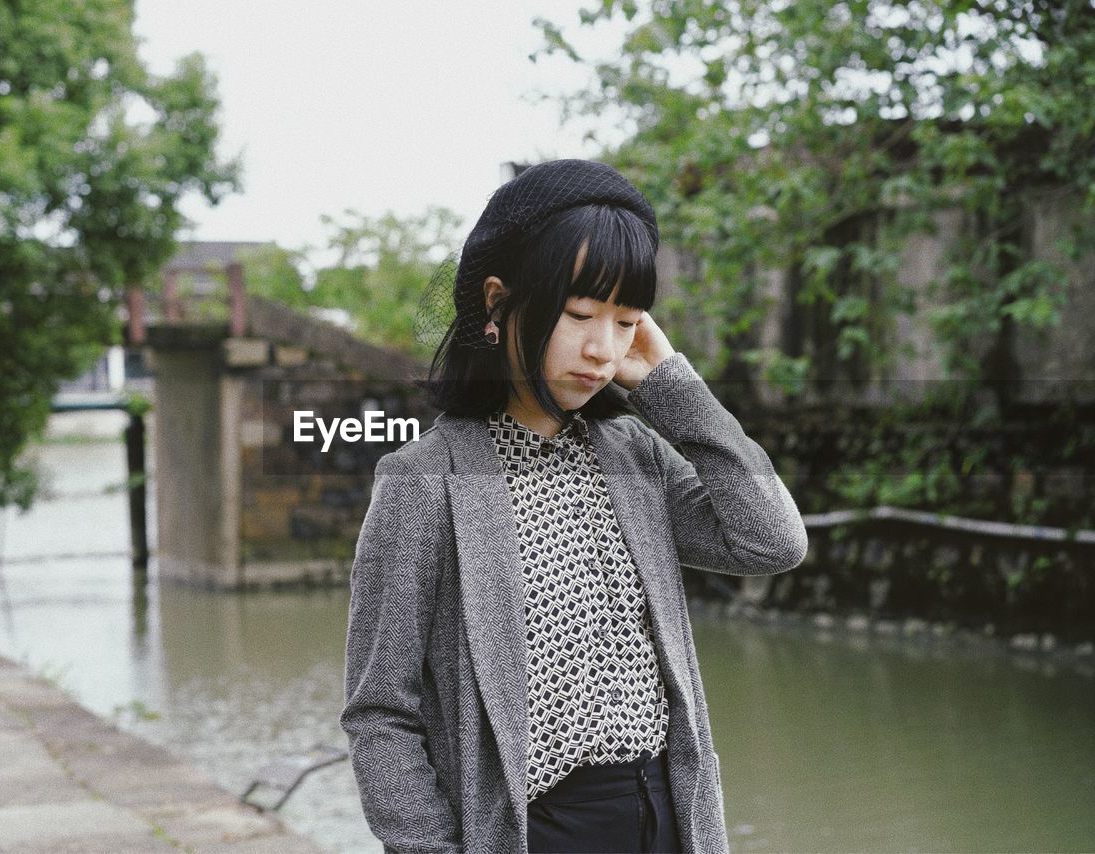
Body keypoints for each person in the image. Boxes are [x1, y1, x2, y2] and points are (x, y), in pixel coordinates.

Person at [340, 159, 808, 854]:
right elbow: (381, 712)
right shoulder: (422, 483)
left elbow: (770, 541)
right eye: (580, 314)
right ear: (498, 306)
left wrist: (672, 386)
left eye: (626, 322)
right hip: (536, 831)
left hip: (670, 818)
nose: (601, 349)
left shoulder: (634, 456)